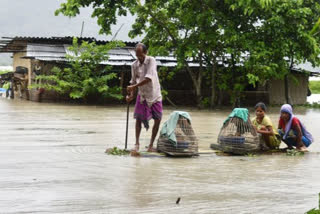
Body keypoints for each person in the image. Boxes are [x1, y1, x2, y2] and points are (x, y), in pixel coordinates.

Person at [126, 43, 163, 152]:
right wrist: (130, 95)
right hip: (142, 95)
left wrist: (134, 86)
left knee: (158, 119)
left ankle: (151, 145)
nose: (139, 58)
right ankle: (137, 144)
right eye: (137, 56)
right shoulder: (134, 65)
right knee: (138, 119)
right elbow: (132, 81)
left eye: (141, 55)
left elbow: (149, 78)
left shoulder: (151, 60)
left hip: (154, 94)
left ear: (145, 53)